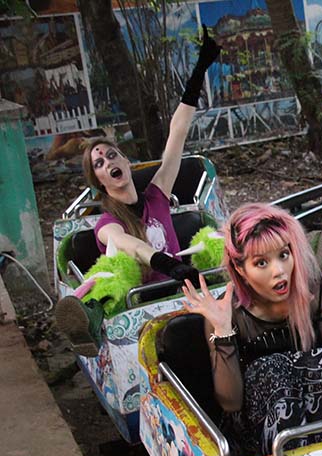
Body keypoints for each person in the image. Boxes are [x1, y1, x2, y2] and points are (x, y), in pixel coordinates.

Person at [55, 25, 221, 356]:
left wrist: (201, 68)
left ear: (126, 161)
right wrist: (168, 263)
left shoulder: (158, 195)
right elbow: (127, 244)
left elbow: (178, 132)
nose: (107, 161)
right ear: (99, 181)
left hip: (179, 293)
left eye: (110, 154)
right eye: (98, 163)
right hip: (136, 308)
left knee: (218, 241)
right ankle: (86, 316)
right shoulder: (107, 225)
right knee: (115, 256)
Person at [181, 203, 322, 456]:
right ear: (240, 270)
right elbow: (231, 403)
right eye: (261, 263)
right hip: (260, 439)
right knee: (271, 368)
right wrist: (223, 331)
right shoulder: (227, 311)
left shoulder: (316, 291)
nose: (278, 270)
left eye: (283, 255)